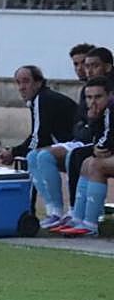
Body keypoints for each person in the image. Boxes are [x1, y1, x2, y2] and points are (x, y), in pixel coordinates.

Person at [48, 77, 112, 236]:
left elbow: (107, 140)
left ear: (110, 95)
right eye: (89, 98)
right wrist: (94, 120)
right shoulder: (102, 112)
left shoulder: (112, 110)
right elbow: (98, 138)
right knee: (86, 163)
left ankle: (90, 225)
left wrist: (100, 147)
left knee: (96, 165)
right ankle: (78, 218)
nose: (93, 102)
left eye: (98, 97)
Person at [0, 64, 77, 168]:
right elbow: (38, 136)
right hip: (70, 144)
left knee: (32, 156)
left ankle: (42, 185)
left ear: (38, 83)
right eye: (18, 83)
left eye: (26, 81)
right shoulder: (41, 98)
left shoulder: (42, 99)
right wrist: (14, 151)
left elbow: (39, 138)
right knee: (32, 154)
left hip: (76, 146)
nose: (21, 87)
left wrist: (14, 152)